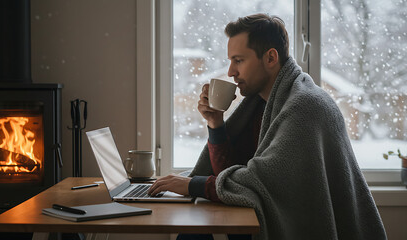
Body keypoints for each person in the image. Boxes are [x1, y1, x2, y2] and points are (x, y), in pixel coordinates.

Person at [148, 13, 387, 240]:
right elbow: (230, 175)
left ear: (271, 58)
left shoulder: (305, 106)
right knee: (195, 230)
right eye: (230, 61)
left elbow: (260, 181)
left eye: (238, 60)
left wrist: (192, 184)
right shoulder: (262, 104)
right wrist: (216, 124)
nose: (231, 72)